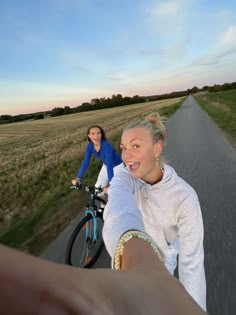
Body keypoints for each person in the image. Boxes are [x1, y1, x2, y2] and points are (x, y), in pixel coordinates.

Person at [103, 112, 207, 311]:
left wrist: (194, 308)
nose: (126, 155)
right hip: (128, 269)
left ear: (157, 148)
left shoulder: (185, 197)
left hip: (163, 267)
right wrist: (132, 246)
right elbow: (119, 207)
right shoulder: (124, 178)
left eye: (135, 146)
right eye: (123, 148)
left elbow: (191, 263)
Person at [0, 242, 207, 314]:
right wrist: (80, 178)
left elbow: (110, 167)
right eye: (91, 137)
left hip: (113, 178)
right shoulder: (92, 146)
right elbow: (87, 160)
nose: (95, 138)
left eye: (97, 137)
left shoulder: (107, 148)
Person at [72, 125, 123, 193]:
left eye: (98, 133)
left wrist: (111, 183)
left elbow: (110, 165)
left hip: (117, 167)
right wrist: (78, 178)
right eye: (93, 133)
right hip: (105, 166)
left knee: (114, 191)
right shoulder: (90, 146)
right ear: (89, 135)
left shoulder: (107, 145)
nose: (96, 136)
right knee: (97, 190)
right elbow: (85, 162)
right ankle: (103, 203)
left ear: (101, 134)